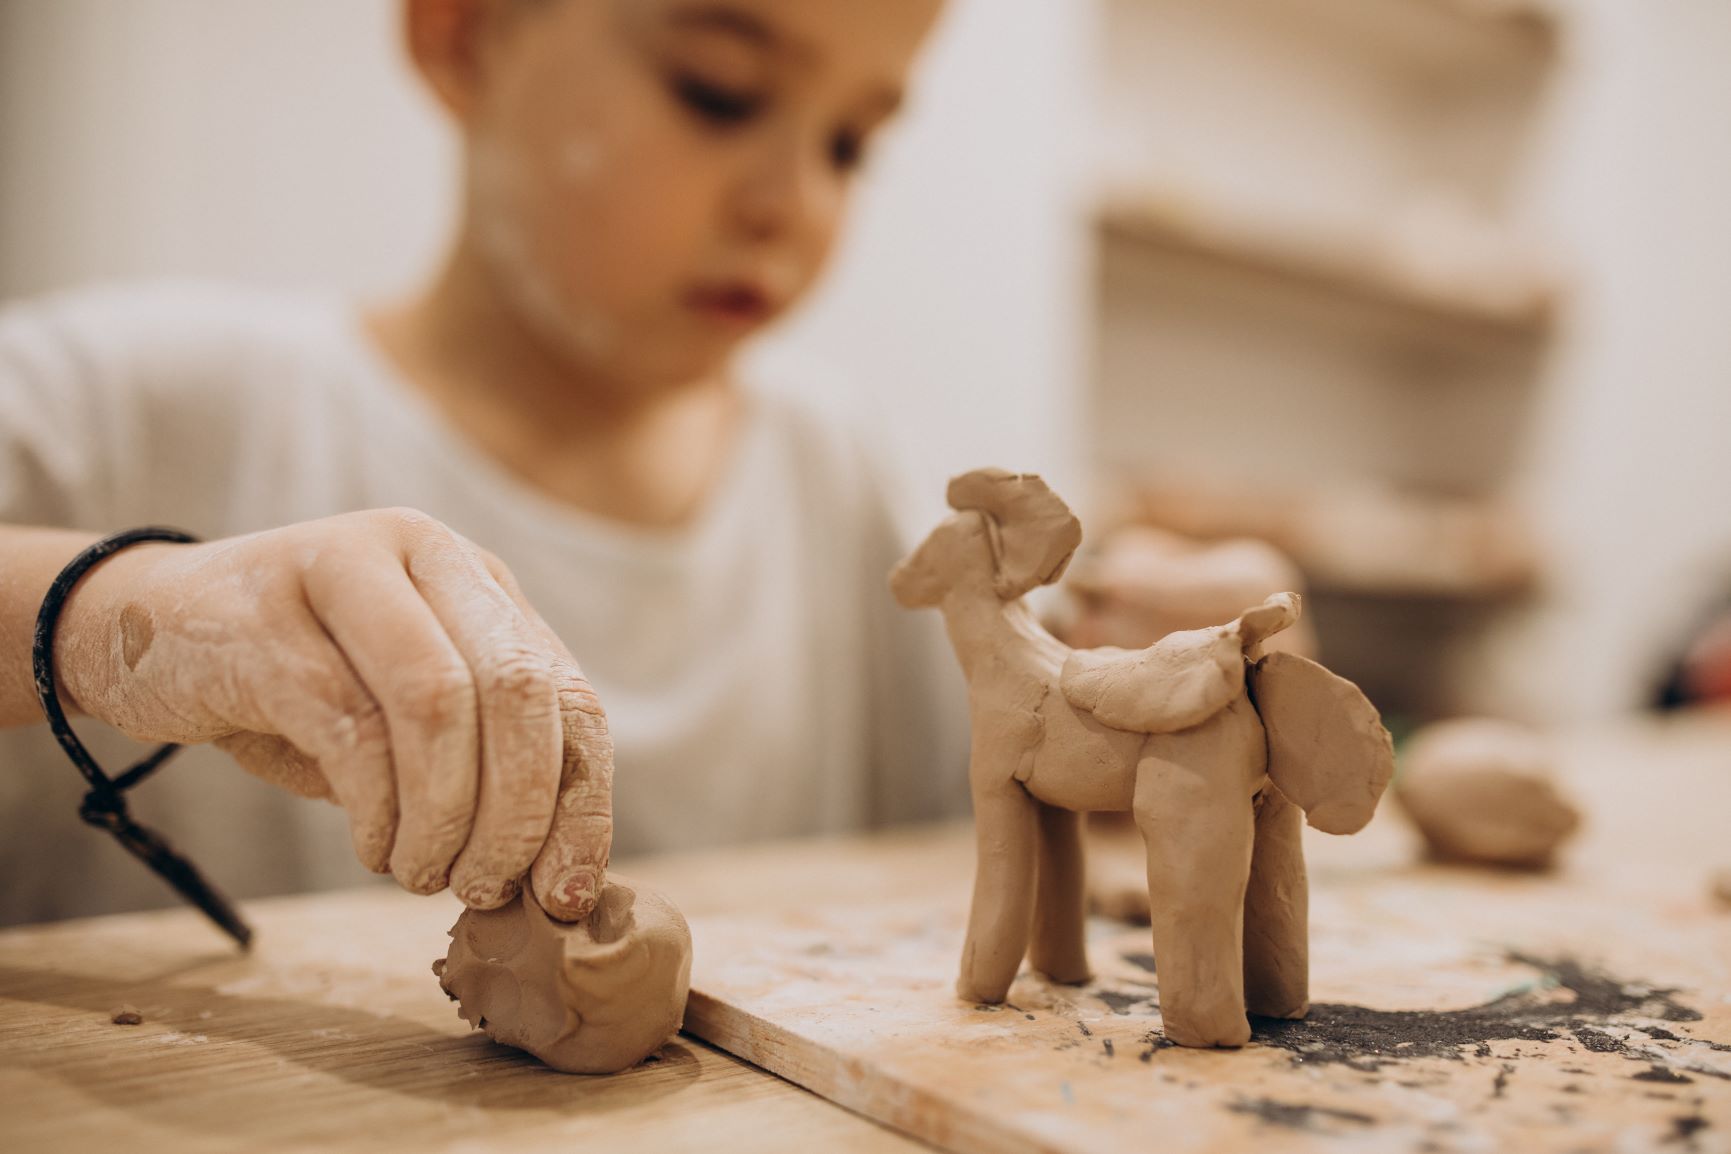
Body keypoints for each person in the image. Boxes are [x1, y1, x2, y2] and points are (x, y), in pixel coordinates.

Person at [0, 0, 968, 927]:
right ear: (464, 33)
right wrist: (111, 619)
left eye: (850, 143)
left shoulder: (840, 474)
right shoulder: (122, 402)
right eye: (718, 92)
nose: (793, 205)